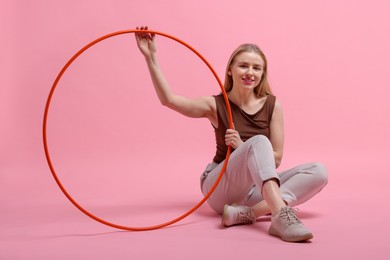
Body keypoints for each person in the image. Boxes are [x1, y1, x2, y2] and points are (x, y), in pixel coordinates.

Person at [135, 26, 328, 242]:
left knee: (318, 171)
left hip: (255, 190)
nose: (250, 72)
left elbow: (277, 158)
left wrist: (242, 145)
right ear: (230, 70)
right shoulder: (215, 104)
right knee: (259, 142)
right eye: (243, 66)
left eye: (257, 68)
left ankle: (247, 213)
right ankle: (280, 216)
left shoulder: (273, 105)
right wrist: (151, 58)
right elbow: (169, 100)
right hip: (220, 188)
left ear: (263, 73)